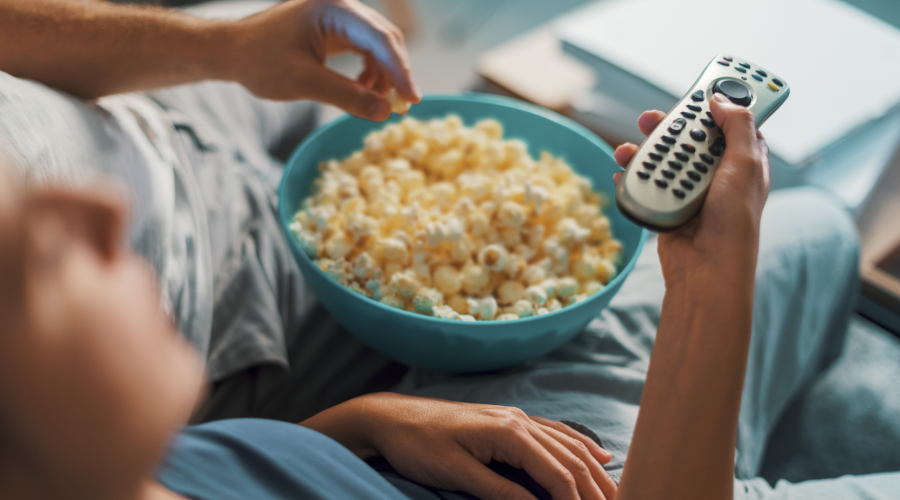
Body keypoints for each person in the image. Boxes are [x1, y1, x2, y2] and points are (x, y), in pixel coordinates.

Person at [0, 0, 898, 499]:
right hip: (540, 477)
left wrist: (359, 427)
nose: (85, 206)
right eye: (30, 267)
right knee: (809, 228)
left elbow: (209, 471)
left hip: (407, 444)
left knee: (813, 231)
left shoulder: (115, 463)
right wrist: (710, 287)